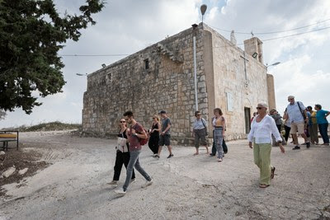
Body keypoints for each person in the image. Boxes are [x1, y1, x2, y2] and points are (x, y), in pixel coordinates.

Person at [115, 111, 153, 196]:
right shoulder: (131, 126)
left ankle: (124, 189)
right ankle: (149, 179)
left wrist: (135, 133)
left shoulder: (137, 125)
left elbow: (145, 136)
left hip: (136, 149)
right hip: (132, 149)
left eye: (127, 119)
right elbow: (130, 139)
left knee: (129, 167)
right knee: (137, 166)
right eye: (125, 119)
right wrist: (126, 137)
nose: (126, 120)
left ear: (131, 117)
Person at [248, 103, 285, 188]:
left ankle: (265, 180)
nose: (258, 109)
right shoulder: (254, 118)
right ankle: (270, 168)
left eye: (260, 108)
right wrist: (250, 140)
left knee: (265, 161)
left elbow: (275, 131)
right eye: (257, 108)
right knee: (257, 161)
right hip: (256, 141)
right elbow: (252, 130)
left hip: (266, 142)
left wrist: (280, 143)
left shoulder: (269, 119)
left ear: (265, 109)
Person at [109, 119, 136, 186]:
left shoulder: (127, 130)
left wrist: (122, 141)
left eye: (124, 122)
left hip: (126, 150)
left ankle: (132, 177)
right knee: (117, 165)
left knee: (127, 165)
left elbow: (130, 140)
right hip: (119, 149)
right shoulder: (120, 130)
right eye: (121, 122)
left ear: (126, 123)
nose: (122, 123)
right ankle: (115, 180)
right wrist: (118, 145)